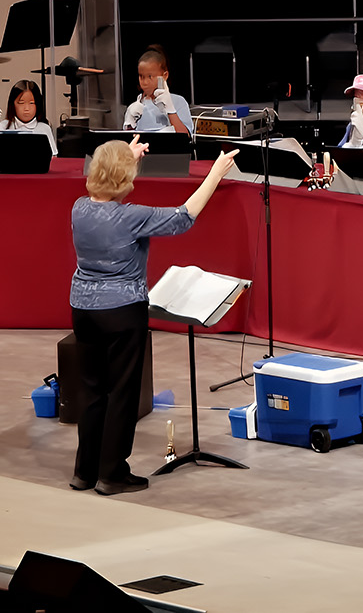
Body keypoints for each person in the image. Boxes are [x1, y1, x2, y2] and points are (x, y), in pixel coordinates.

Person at [68, 136, 238, 495]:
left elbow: (108, 183)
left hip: (83, 309)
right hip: (121, 312)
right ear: (123, 178)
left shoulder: (79, 209)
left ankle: (85, 471)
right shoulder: (131, 217)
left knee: (93, 390)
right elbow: (184, 217)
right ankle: (111, 474)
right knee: (122, 393)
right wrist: (215, 174)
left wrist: (125, 157)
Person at [123, 45, 193, 135]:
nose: (145, 82)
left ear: (164, 76)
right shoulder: (135, 107)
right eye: (141, 76)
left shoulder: (178, 101)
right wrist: (129, 124)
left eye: (150, 77)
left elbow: (186, 137)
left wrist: (171, 111)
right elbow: (127, 144)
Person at [0, 79, 58, 155]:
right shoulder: (5, 125)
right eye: (21, 103)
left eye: (32, 103)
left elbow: (53, 156)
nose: (26, 108)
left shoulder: (44, 128)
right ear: (13, 105)